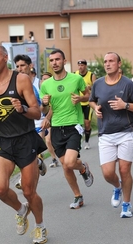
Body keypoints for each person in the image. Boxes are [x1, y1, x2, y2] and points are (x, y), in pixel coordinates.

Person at [0, 45, 48, 244]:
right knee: (0, 189)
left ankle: (40, 226)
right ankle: (21, 209)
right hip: (3, 140)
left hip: (26, 139)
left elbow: (37, 112)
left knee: (28, 191)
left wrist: (23, 108)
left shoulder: (21, 79)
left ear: (5, 58)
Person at [89, 52, 133, 218]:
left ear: (119, 64)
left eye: (111, 61)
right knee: (108, 173)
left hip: (126, 131)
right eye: (106, 61)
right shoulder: (98, 83)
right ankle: (117, 187)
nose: (107, 64)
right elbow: (92, 100)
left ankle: (126, 205)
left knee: (124, 170)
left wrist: (125, 105)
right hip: (105, 133)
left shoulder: (127, 84)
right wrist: (95, 108)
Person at [40, 49, 94, 209]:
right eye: (52, 60)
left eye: (57, 59)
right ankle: (78, 196)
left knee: (69, 163)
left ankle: (82, 167)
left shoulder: (76, 79)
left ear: (64, 61)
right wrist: (43, 104)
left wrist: (81, 98)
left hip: (74, 125)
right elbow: (44, 111)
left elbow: (88, 95)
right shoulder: (46, 85)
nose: (54, 63)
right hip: (56, 128)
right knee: (65, 164)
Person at [12, 54, 47, 190]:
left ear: (30, 66)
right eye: (17, 66)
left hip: (38, 122)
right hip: (22, 124)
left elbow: (47, 105)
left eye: (23, 66)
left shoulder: (39, 83)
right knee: (25, 155)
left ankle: (28, 185)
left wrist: (47, 117)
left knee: (30, 154)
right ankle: (38, 162)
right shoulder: (15, 83)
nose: (20, 69)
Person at [75, 59, 97, 149]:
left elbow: (96, 87)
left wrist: (90, 87)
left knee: (87, 123)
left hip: (88, 102)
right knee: (78, 123)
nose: (80, 67)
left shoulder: (91, 75)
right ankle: (78, 139)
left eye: (82, 65)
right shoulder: (74, 74)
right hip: (78, 102)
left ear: (85, 66)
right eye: (79, 65)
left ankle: (87, 141)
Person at [40, 72, 59, 168]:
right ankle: (51, 159)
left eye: (48, 79)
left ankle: (55, 158)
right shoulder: (40, 91)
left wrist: (47, 118)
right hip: (39, 119)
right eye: (44, 79)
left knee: (49, 140)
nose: (45, 81)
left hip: (52, 118)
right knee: (44, 141)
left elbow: (52, 109)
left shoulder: (53, 91)